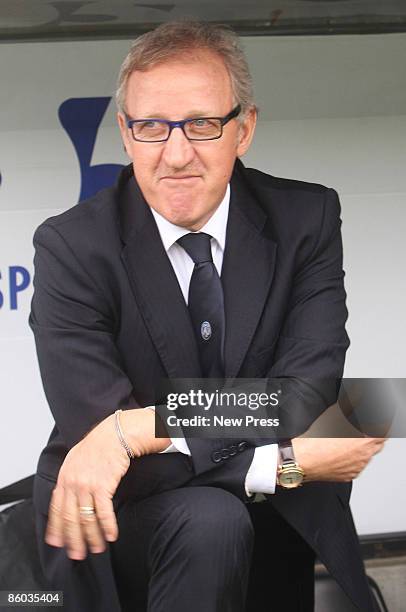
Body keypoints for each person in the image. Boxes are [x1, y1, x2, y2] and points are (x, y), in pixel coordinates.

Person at [30, 20, 385, 612]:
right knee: (212, 518)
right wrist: (283, 463)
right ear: (124, 133)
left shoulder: (308, 219)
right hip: (124, 525)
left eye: (200, 124)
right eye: (150, 127)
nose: (175, 154)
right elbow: (101, 438)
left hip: (276, 528)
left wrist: (141, 429)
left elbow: (300, 396)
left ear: (244, 128)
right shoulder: (71, 247)